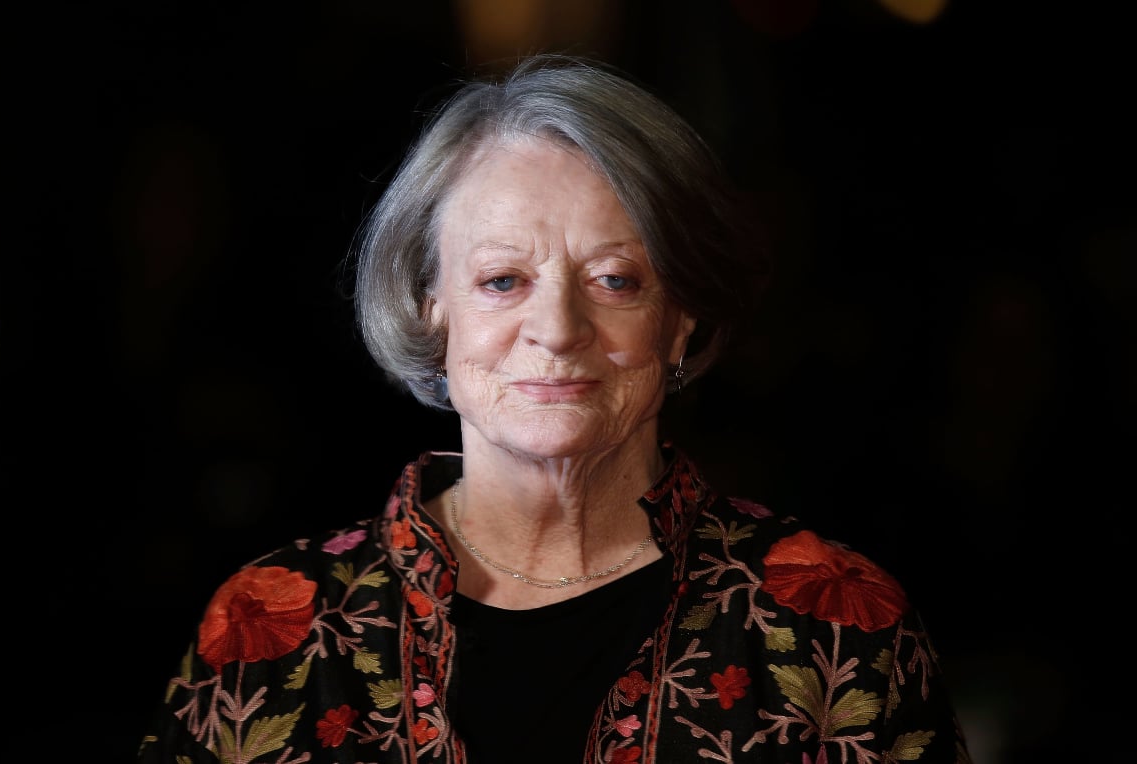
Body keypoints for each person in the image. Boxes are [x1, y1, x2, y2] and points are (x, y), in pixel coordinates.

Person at [136, 53, 973, 763]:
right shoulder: (270, 629)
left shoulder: (836, 621)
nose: (559, 330)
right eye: (503, 281)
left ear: (680, 317)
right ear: (433, 305)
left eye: (614, 280)